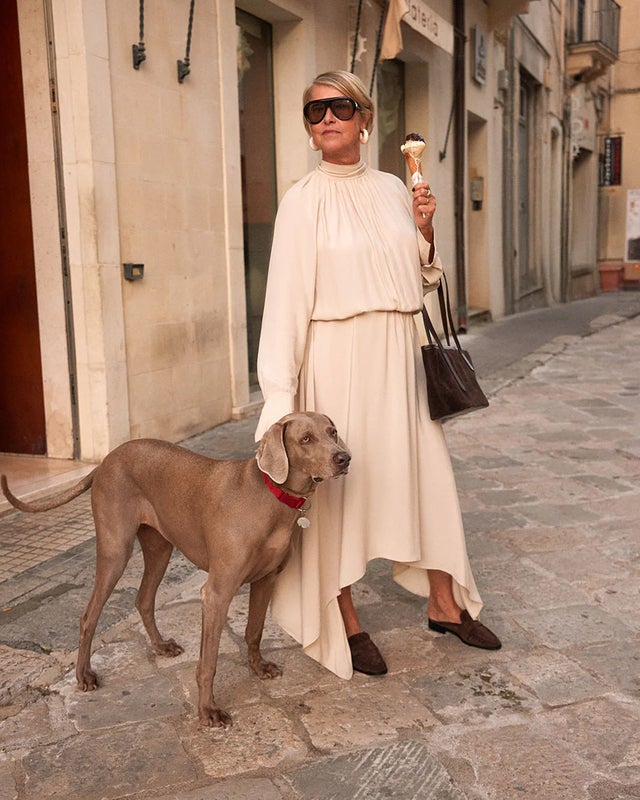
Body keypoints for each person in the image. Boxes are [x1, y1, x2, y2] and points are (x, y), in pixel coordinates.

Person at [255, 70, 500, 679]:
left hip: (399, 353)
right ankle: (345, 619)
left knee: (426, 478)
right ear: (310, 133)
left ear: (365, 119)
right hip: (334, 358)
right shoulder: (301, 200)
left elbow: (422, 279)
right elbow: (284, 301)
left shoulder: (396, 186)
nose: (328, 118)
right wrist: (280, 400)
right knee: (338, 494)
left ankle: (446, 605)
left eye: (340, 107)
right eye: (315, 113)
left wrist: (424, 231)